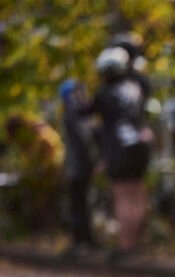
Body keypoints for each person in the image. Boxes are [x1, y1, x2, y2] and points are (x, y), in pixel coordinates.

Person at [85, 46, 152, 262]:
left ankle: (125, 246)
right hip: (140, 145)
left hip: (120, 148)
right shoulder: (134, 87)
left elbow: (86, 112)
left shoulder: (105, 92)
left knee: (123, 197)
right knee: (137, 194)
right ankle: (135, 243)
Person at [58, 79, 97, 257]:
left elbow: (82, 140)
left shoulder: (74, 113)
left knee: (78, 204)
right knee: (82, 203)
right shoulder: (81, 113)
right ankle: (85, 240)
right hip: (81, 164)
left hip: (78, 166)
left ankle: (81, 241)